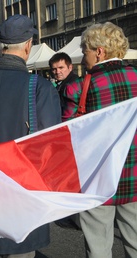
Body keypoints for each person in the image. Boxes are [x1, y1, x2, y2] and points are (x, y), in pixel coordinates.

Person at [0, 14, 61, 258]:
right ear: (28, 45)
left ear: (1, 45)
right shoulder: (39, 87)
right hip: (22, 197)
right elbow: (50, 147)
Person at [62, 22, 137, 258]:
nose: (83, 59)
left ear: (99, 51)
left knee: (98, 248)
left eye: (85, 52)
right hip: (134, 174)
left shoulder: (80, 85)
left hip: (97, 178)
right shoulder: (136, 76)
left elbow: (67, 131)